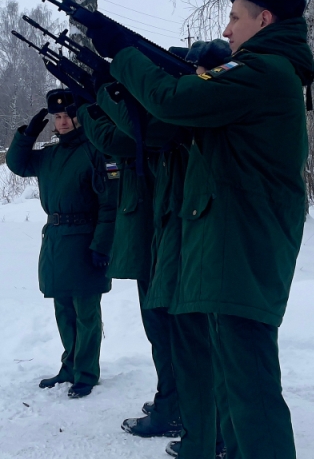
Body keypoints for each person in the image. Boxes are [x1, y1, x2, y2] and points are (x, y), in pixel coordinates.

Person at [87, 0, 314, 458]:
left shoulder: (263, 72)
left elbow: (173, 101)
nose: (227, 29)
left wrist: (122, 54)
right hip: (234, 247)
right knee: (236, 390)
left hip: (241, 248)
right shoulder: (264, 71)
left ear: (265, 18)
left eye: (236, 17)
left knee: (250, 393)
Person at [100, 41, 231, 459]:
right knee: (176, 339)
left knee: (198, 347)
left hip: (193, 237)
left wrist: (100, 92)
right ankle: (199, 425)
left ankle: (208, 432)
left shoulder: (206, 107)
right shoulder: (195, 110)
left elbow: (138, 131)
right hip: (171, 234)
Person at [77, 96, 182, 436]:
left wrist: (88, 104)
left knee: (168, 332)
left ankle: (175, 407)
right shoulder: (155, 115)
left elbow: (113, 139)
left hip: (163, 238)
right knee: (161, 331)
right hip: (150, 239)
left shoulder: (162, 117)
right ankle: (174, 398)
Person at [6, 88, 117, 399]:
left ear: (78, 117)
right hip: (56, 240)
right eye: (56, 117)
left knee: (86, 312)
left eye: (67, 115)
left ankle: (86, 373)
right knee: (64, 310)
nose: (62, 121)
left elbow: (110, 203)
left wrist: (102, 245)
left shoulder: (96, 151)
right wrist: (27, 135)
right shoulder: (50, 155)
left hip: (85, 240)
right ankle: (68, 367)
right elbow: (18, 164)